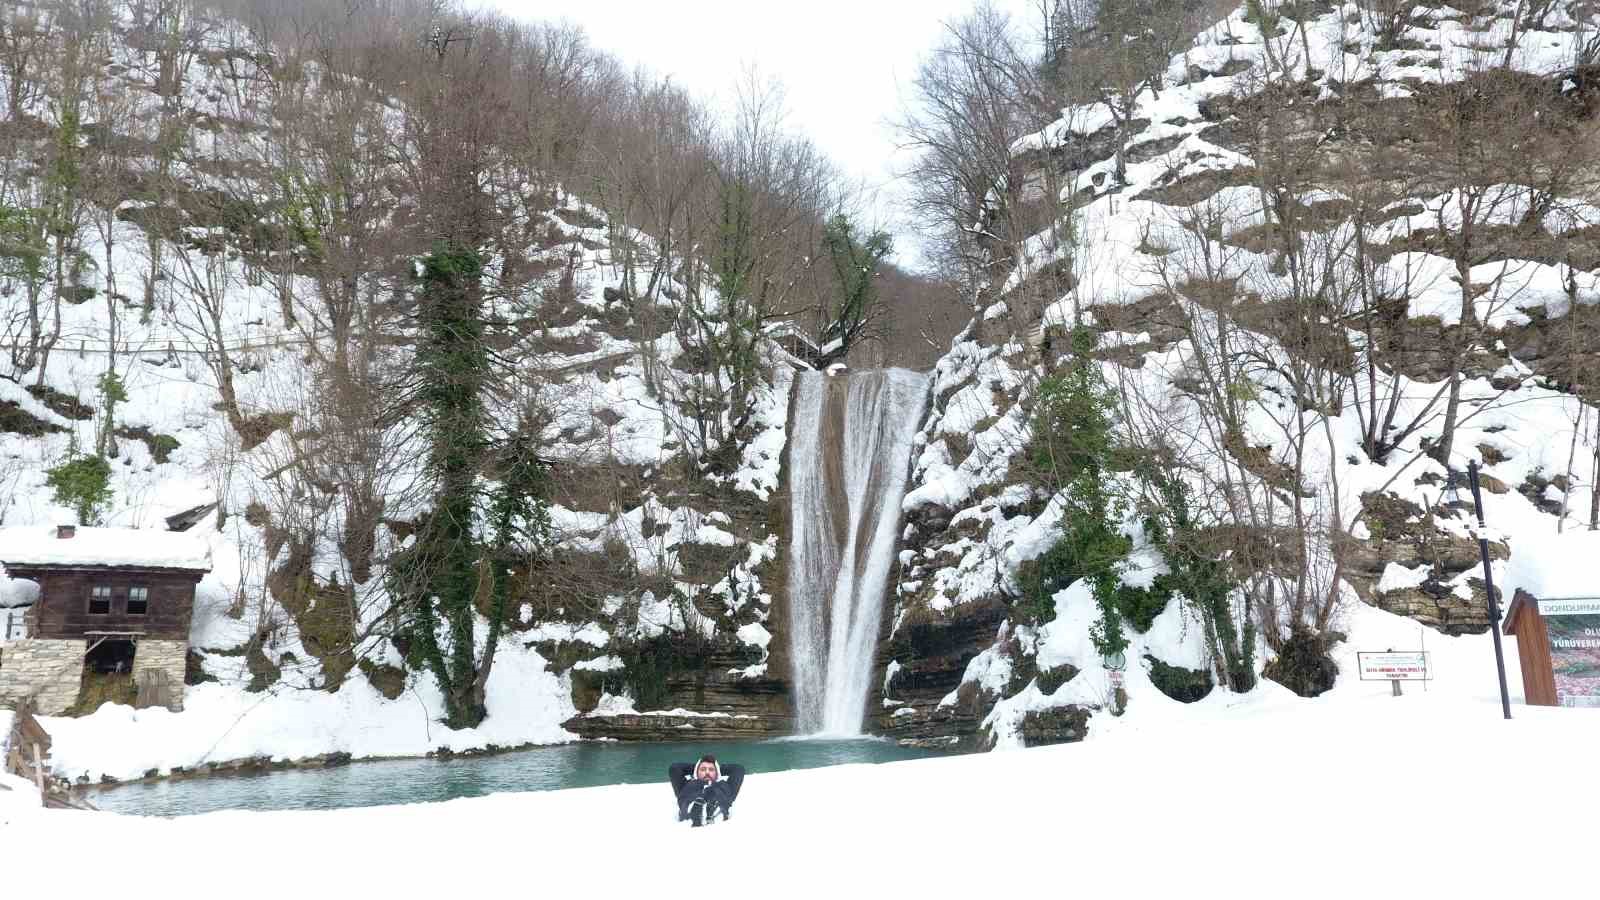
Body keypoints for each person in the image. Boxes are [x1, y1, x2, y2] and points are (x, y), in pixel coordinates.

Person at [667, 754, 745, 826]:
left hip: (717, 800)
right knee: (692, 802)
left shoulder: (726, 786)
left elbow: (738, 769)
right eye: (703, 769)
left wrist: (715, 768)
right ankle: (697, 809)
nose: (707, 772)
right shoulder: (685, 785)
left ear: (717, 772)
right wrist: (698, 766)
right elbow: (674, 768)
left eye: (711, 770)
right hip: (690, 806)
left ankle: (710, 810)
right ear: (696, 772)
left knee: (716, 798)